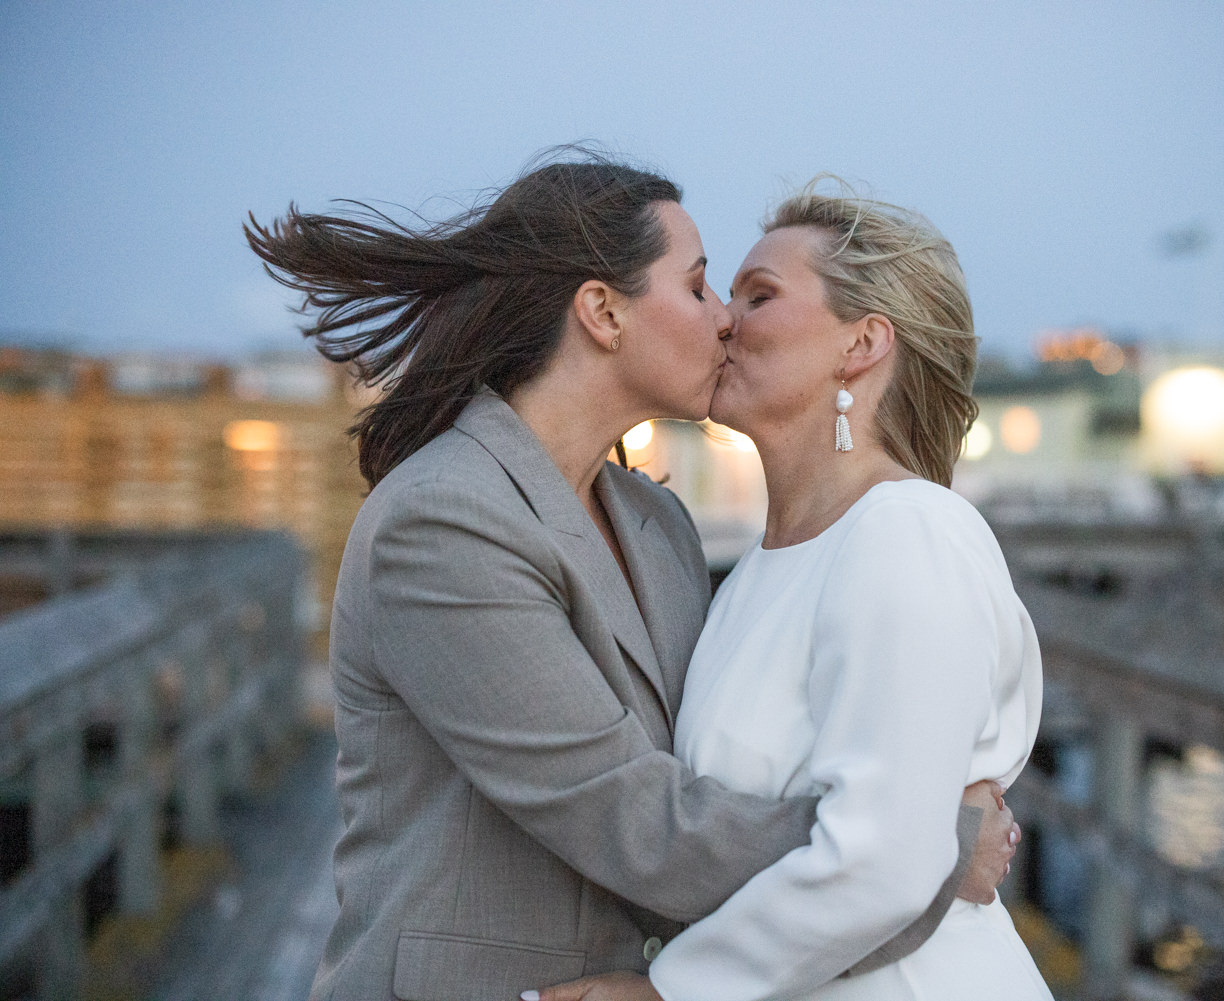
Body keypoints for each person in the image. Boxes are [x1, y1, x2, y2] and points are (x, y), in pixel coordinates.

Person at [244, 152, 1020, 1001]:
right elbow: (626, 806)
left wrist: (904, 833)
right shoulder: (442, 520)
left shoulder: (661, 525)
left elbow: (737, 765)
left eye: (747, 295)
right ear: (603, 313)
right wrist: (932, 843)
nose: (722, 318)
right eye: (699, 288)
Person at [535, 183, 1052, 1001]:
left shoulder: (906, 533)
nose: (722, 320)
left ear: (863, 344)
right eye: (719, 294)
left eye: (760, 295)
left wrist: (670, 992)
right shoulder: (747, 575)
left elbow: (885, 860)